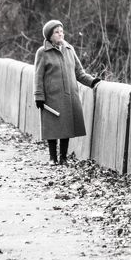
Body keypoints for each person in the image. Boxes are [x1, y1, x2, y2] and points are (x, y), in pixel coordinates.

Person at [34, 19, 100, 165]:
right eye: (56, 32)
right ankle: (53, 158)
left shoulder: (69, 49)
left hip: (69, 95)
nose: (60, 34)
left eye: (61, 32)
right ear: (49, 36)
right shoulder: (42, 52)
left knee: (67, 127)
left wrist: (92, 81)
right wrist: (38, 96)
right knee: (52, 127)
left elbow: (79, 72)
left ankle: (63, 157)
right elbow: (38, 76)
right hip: (51, 97)